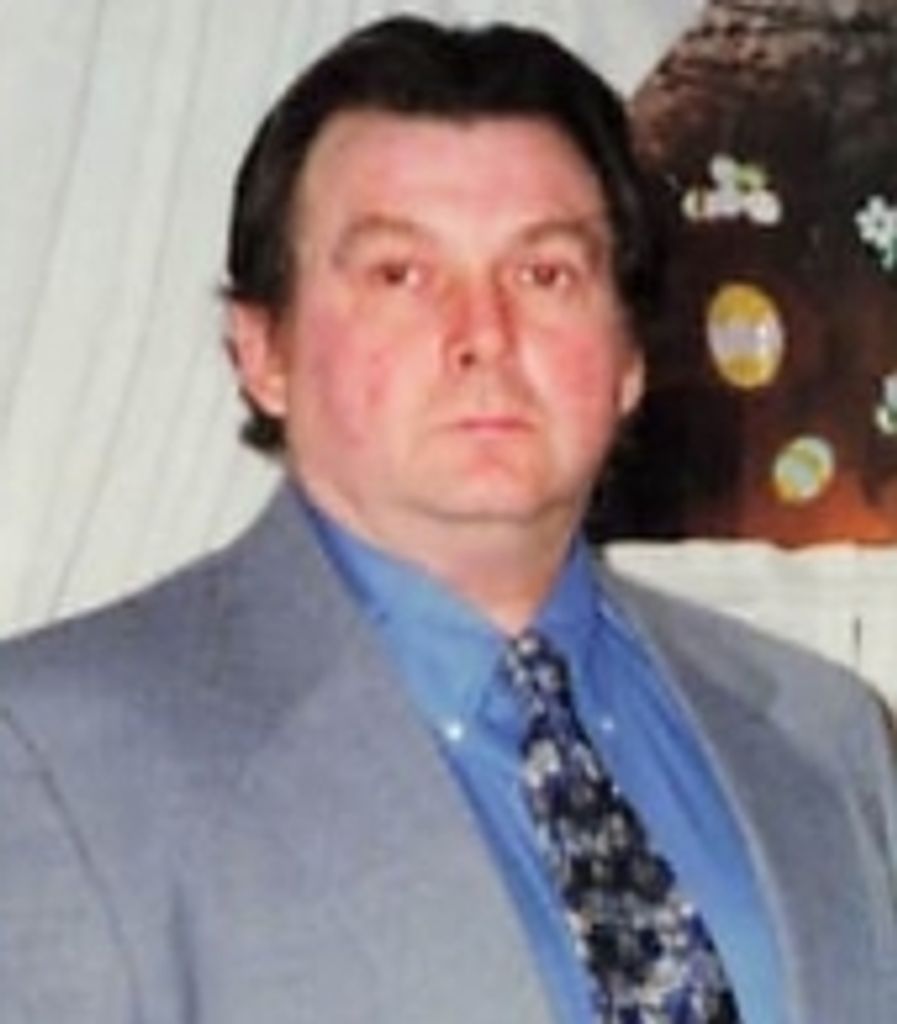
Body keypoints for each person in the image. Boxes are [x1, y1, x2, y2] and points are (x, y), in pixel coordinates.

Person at [0, 14, 895, 1024]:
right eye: (401, 275)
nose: (484, 336)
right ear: (262, 351)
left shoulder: (822, 736)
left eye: (544, 273)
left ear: (629, 358)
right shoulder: (50, 761)